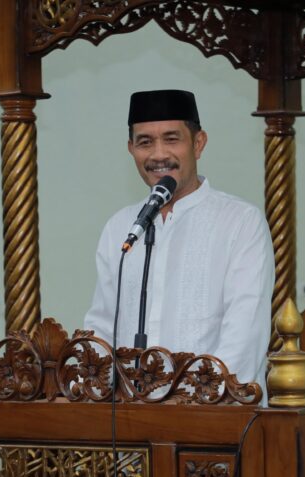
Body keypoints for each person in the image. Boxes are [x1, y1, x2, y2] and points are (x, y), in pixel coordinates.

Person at [84, 89, 274, 389]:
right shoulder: (120, 226)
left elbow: (244, 336)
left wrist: (193, 401)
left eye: (172, 139)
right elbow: (102, 327)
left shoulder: (240, 222)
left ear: (198, 144)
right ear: (131, 149)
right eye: (145, 142)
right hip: (131, 411)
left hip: (215, 408)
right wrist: (90, 390)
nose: (159, 154)